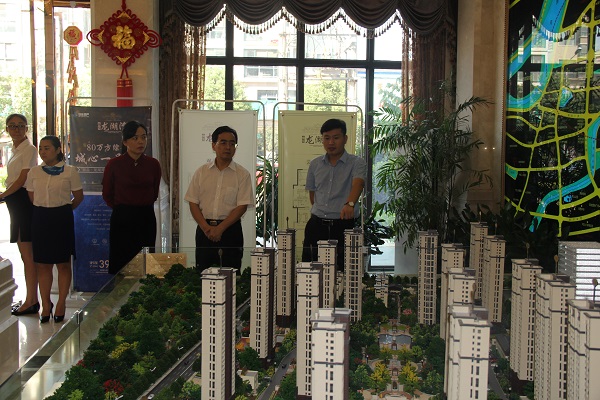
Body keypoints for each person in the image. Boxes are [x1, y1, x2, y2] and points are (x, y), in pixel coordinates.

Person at [26, 136, 83, 323]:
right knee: (43, 264)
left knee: (63, 263)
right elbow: (32, 196)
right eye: (41, 148)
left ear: (58, 150)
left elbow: (78, 196)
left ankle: (61, 304)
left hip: (62, 218)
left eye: (47, 148)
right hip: (41, 218)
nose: (43, 152)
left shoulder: (70, 171)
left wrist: (64, 210)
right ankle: (46, 304)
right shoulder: (34, 172)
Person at [184, 126, 254, 271]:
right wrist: (206, 228)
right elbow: (193, 202)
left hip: (230, 231)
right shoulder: (201, 172)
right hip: (205, 231)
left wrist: (220, 229)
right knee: (203, 274)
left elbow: (242, 206)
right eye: (223, 142)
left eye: (232, 143)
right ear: (213, 145)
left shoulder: (242, 174)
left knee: (231, 275)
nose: (228, 147)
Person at [301, 118, 367, 270]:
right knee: (311, 270)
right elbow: (312, 194)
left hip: (343, 226)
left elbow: (358, 184)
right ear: (322, 140)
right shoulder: (315, 164)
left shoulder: (356, 163)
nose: (331, 142)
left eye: (336, 138)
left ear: (345, 139)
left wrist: (350, 204)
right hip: (317, 226)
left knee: (344, 270)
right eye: (327, 138)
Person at [102, 121, 161, 274]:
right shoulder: (114, 164)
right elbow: (107, 194)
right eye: (135, 138)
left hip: (146, 217)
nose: (141, 141)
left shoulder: (153, 164)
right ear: (125, 141)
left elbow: (154, 192)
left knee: (145, 264)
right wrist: (123, 208)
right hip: (122, 218)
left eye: (143, 137)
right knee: (122, 263)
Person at [0, 114, 39, 316]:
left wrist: (3, 194)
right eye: (12, 126)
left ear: (27, 128)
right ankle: (30, 299)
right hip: (14, 201)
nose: (16, 129)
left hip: (22, 200)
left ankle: (31, 301)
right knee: (25, 254)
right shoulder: (15, 149)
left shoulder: (29, 149)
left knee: (28, 254)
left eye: (20, 126)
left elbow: (23, 178)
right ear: (7, 128)